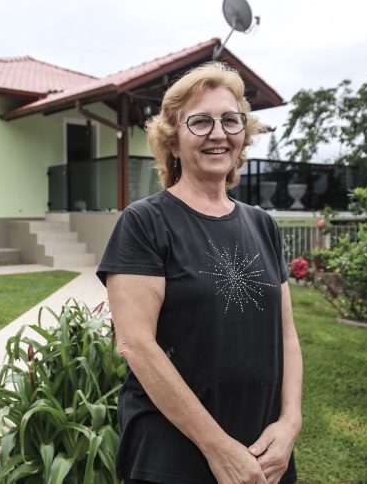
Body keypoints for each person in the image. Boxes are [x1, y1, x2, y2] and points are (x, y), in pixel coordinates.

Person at [97, 62, 302, 484]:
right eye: (201, 121)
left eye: (230, 120)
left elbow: (287, 334)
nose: (218, 132)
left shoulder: (262, 223)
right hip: (175, 453)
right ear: (173, 142)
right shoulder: (145, 223)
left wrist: (289, 424)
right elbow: (136, 345)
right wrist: (218, 447)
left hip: (264, 449)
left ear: (242, 135)